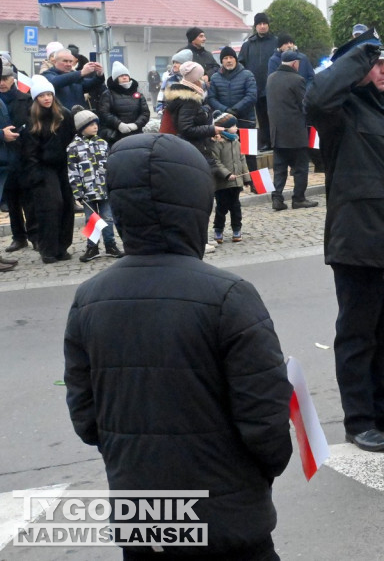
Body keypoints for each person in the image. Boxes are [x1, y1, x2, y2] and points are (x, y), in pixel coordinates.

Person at [64, 133, 293, 561]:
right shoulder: (229, 295)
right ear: (195, 202)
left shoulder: (89, 298)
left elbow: (86, 417)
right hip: (227, 520)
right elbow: (265, 421)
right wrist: (255, 476)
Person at [305, 28, 384, 452]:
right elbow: (317, 95)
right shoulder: (339, 112)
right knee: (358, 337)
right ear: (352, 70)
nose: (383, 68)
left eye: (383, 62)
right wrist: (358, 54)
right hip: (359, 244)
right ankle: (358, 419)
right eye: (373, 63)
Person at [23, 76, 76, 263]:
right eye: (42, 95)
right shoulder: (32, 118)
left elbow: (72, 140)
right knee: (51, 206)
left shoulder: (65, 115)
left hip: (63, 166)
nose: (46, 98)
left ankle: (62, 247)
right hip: (43, 168)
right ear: (36, 98)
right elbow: (29, 151)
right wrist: (36, 175)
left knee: (67, 206)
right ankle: (48, 249)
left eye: (49, 94)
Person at [66, 109, 123, 262]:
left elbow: (110, 166)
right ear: (81, 127)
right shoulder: (73, 147)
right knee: (91, 219)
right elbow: (72, 171)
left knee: (108, 217)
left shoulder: (103, 144)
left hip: (104, 189)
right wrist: (77, 191)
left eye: (95, 123)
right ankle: (92, 247)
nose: (95, 127)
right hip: (86, 191)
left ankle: (110, 244)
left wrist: (112, 184)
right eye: (90, 124)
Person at [266, 50, 318, 211]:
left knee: (279, 168)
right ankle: (299, 198)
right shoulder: (298, 80)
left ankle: (277, 198)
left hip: (276, 132)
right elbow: (305, 104)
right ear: (295, 63)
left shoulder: (271, 78)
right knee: (301, 167)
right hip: (295, 133)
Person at [1, 60, 35, 255]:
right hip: (4, 158)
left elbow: (32, 124)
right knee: (11, 202)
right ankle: (18, 237)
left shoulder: (25, 99)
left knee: (29, 200)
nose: (2, 82)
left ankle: (34, 235)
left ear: (13, 79)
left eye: (5, 78)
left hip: (23, 154)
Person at [209, 46, 258, 174]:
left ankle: (254, 183)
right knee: (227, 154)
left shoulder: (247, 75)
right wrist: (225, 111)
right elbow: (211, 98)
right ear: (221, 61)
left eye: (231, 57)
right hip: (224, 123)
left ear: (236, 59)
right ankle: (235, 184)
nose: (228, 60)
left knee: (250, 155)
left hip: (246, 121)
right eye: (225, 58)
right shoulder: (215, 78)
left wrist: (235, 110)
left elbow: (252, 96)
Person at [238, 12, 279, 153]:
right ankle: (265, 142)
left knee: (275, 115)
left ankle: (276, 141)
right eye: (259, 24)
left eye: (264, 23)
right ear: (255, 26)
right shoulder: (248, 44)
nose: (262, 26)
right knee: (261, 117)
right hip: (255, 87)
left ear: (268, 25)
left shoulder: (276, 42)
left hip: (274, 87)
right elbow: (240, 64)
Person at [210, 112, 250, 243]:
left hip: (236, 181)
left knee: (235, 207)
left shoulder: (236, 141)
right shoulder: (217, 141)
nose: (236, 128)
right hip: (222, 183)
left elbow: (242, 159)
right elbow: (215, 161)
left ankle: (236, 229)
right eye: (233, 125)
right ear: (225, 128)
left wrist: (246, 178)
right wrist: (226, 174)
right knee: (221, 207)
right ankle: (218, 230)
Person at [96, 61, 149, 146]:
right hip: (116, 136)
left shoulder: (138, 94)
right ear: (116, 78)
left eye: (126, 75)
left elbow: (145, 113)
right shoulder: (108, 94)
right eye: (121, 76)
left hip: (136, 134)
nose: (124, 77)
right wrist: (119, 124)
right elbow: (104, 113)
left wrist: (136, 125)